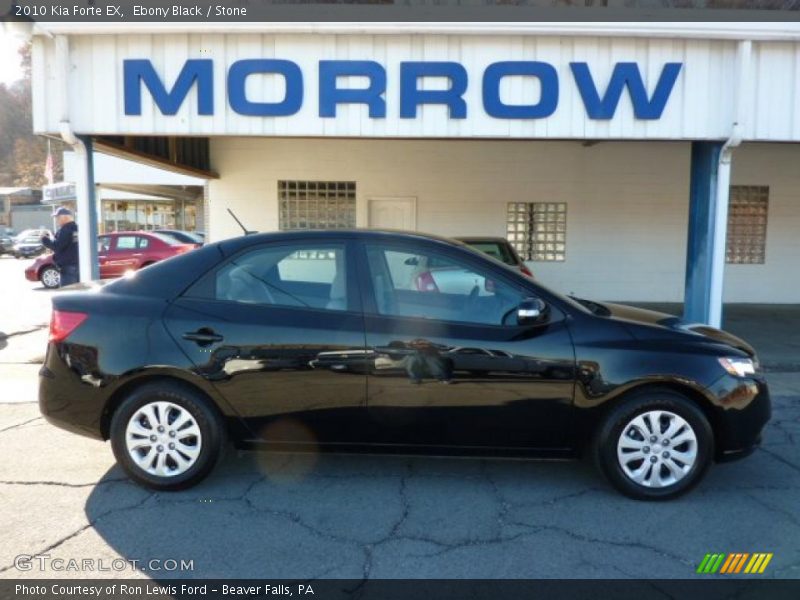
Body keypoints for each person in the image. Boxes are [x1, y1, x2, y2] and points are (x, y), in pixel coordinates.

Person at [41, 207, 79, 287]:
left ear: (65, 217)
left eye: (58, 217)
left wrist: (44, 239)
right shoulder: (77, 228)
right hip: (78, 266)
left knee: (67, 295)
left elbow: (57, 246)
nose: (56, 220)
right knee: (77, 294)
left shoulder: (65, 229)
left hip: (68, 269)